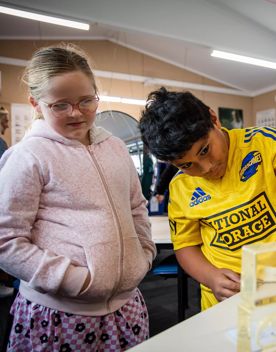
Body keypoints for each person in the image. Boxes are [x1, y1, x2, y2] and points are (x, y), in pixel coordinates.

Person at [0, 43, 156, 352]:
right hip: (59, 314)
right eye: (60, 105)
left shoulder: (116, 147)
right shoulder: (28, 156)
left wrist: (145, 254)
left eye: (87, 100)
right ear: (36, 104)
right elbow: (6, 240)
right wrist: (72, 280)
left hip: (127, 307)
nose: (76, 112)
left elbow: (136, 206)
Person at [139, 87, 276, 311]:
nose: (206, 168)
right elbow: (186, 247)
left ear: (214, 119)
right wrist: (212, 278)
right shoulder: (181, 188)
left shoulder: (267, 145)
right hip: (228, 301)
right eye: (186, 165)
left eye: (204, 150)